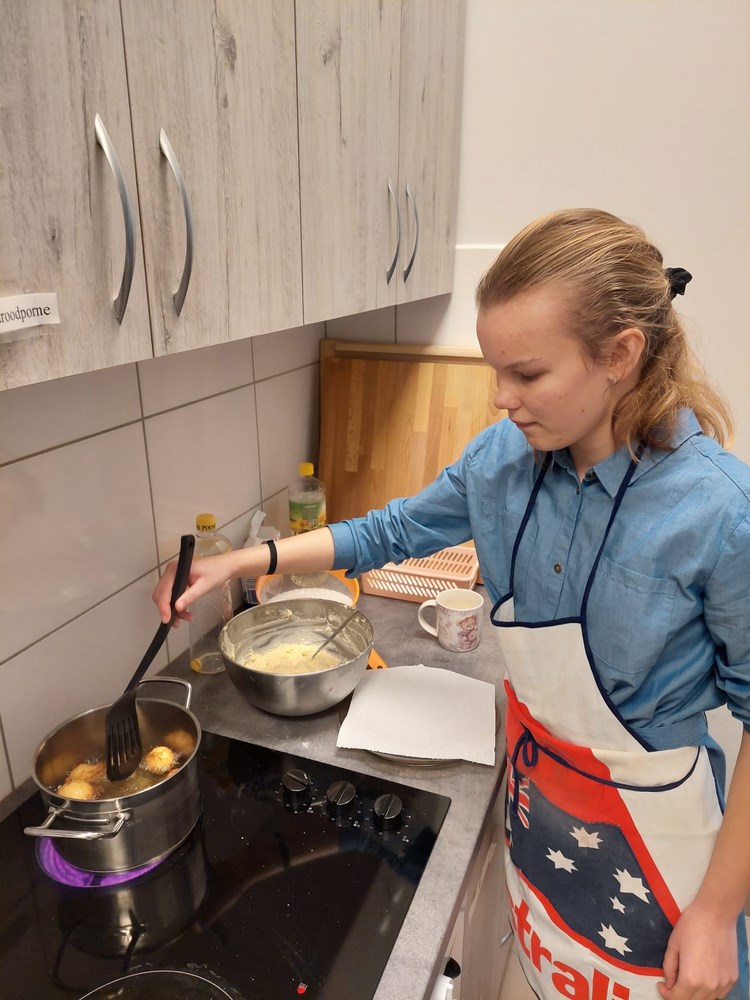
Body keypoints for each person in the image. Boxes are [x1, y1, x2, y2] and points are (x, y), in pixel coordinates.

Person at [154, 208, 750, 1000]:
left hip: (663, 858)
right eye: (495, 371)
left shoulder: (718, 513)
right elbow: (390, 531)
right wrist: (240, 559)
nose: (502, 398)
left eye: (527, 374)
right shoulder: (506, 458)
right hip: (542, 815)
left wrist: (717, 912)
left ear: (620, 354)